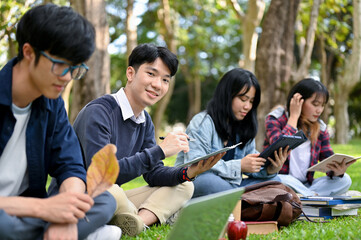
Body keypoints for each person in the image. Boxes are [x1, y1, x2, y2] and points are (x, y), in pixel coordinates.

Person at [73, 43, 224, 236]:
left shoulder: (145, 121)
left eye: (165, 80)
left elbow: (153, 173)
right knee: (113, 191)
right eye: (151, 74)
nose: (158, 85)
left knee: (185, 186)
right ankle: (148, 216)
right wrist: (160, 150)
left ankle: (137, 222)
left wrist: (190, 172)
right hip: (89, 197)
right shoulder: (100, 112)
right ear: (130, 74)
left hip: (113, 199)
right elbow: (101, 177)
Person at [0, 4, 122, 240]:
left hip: (27, 214)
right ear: (28, 52)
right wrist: (45, 210)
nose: (67, 77)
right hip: (13, 212)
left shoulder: (52, 103)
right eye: (60, 64)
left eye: (75, 68)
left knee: (105, 200)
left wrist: (65, 215)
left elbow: (70, 166)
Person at [175, 68, 289, 198]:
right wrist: (239, 166)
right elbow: (195, 164)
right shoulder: (203, 122)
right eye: (243, 99)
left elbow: (251, 166)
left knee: (275, 182)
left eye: (251, 101)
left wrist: (270, 169)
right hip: (196, 182)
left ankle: (237, 201)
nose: (247, 106)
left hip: (230, 187)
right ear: (227, 95)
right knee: (209, 183)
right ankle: (242, 201)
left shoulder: (244, 127)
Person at [263, 78, 354, 197]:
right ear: (298, 101)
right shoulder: (275, 119)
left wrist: (337, 171)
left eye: (322, 105)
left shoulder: (320, 128)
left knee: (345, 180)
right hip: (282, 180)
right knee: (281, 180)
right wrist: (294, 117)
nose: (319, 110)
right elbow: (279, 145)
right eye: (315, 104)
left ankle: (304, 196)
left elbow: (328, 159)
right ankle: (311, 197)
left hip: (307, 185)